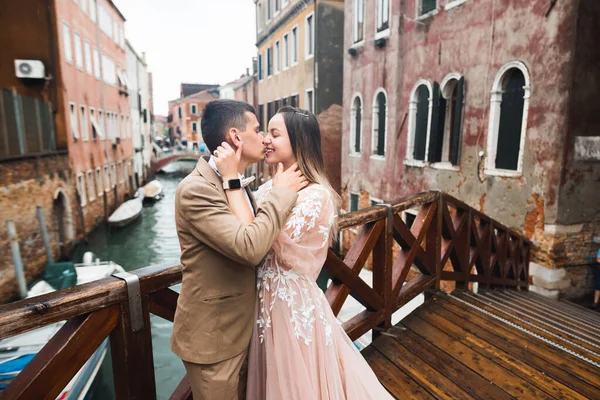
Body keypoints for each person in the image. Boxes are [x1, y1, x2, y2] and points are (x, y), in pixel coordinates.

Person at [214, 106, 393, 399]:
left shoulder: (317, 196)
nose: (266, 141)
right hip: (263, 304)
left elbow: (257, 236)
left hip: (290, 307)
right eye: (265, 132)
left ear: (298, 142)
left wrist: (231, 179)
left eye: (274, 134)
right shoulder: (271, 186)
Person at [171, 100, 308, 400]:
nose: (264, 139)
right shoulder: (197, 190)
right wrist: (283, 193)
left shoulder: (238, 183)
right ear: (236, 137)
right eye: (258, 130)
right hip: (214, 342)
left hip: (246, 330)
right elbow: (250, 248)